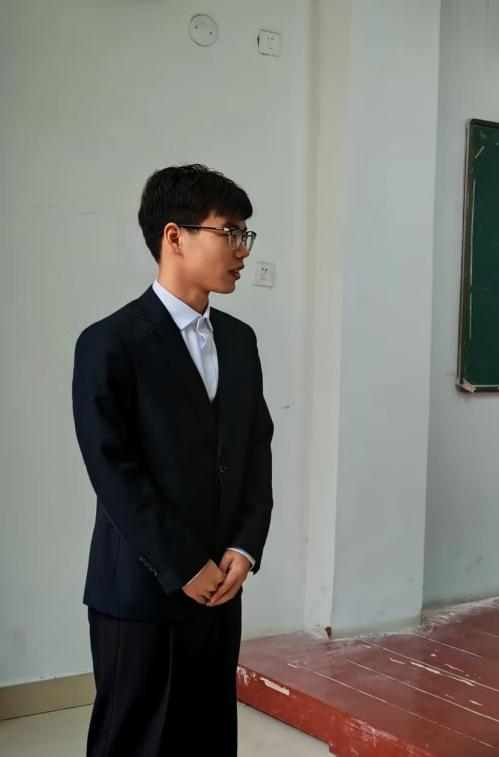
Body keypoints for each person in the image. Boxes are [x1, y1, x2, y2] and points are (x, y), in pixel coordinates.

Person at [72, 164, 274, 756]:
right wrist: (183, 564)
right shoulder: (110, 342)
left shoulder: (239, 340)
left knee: (208, 738)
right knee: (135, 742)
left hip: (222, 586)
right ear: (174, 236)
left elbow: (255, 449)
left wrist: (244, 547)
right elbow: (113, 471)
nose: (242, 249)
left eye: (245, 235)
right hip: (142, 589)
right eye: (228, 232)